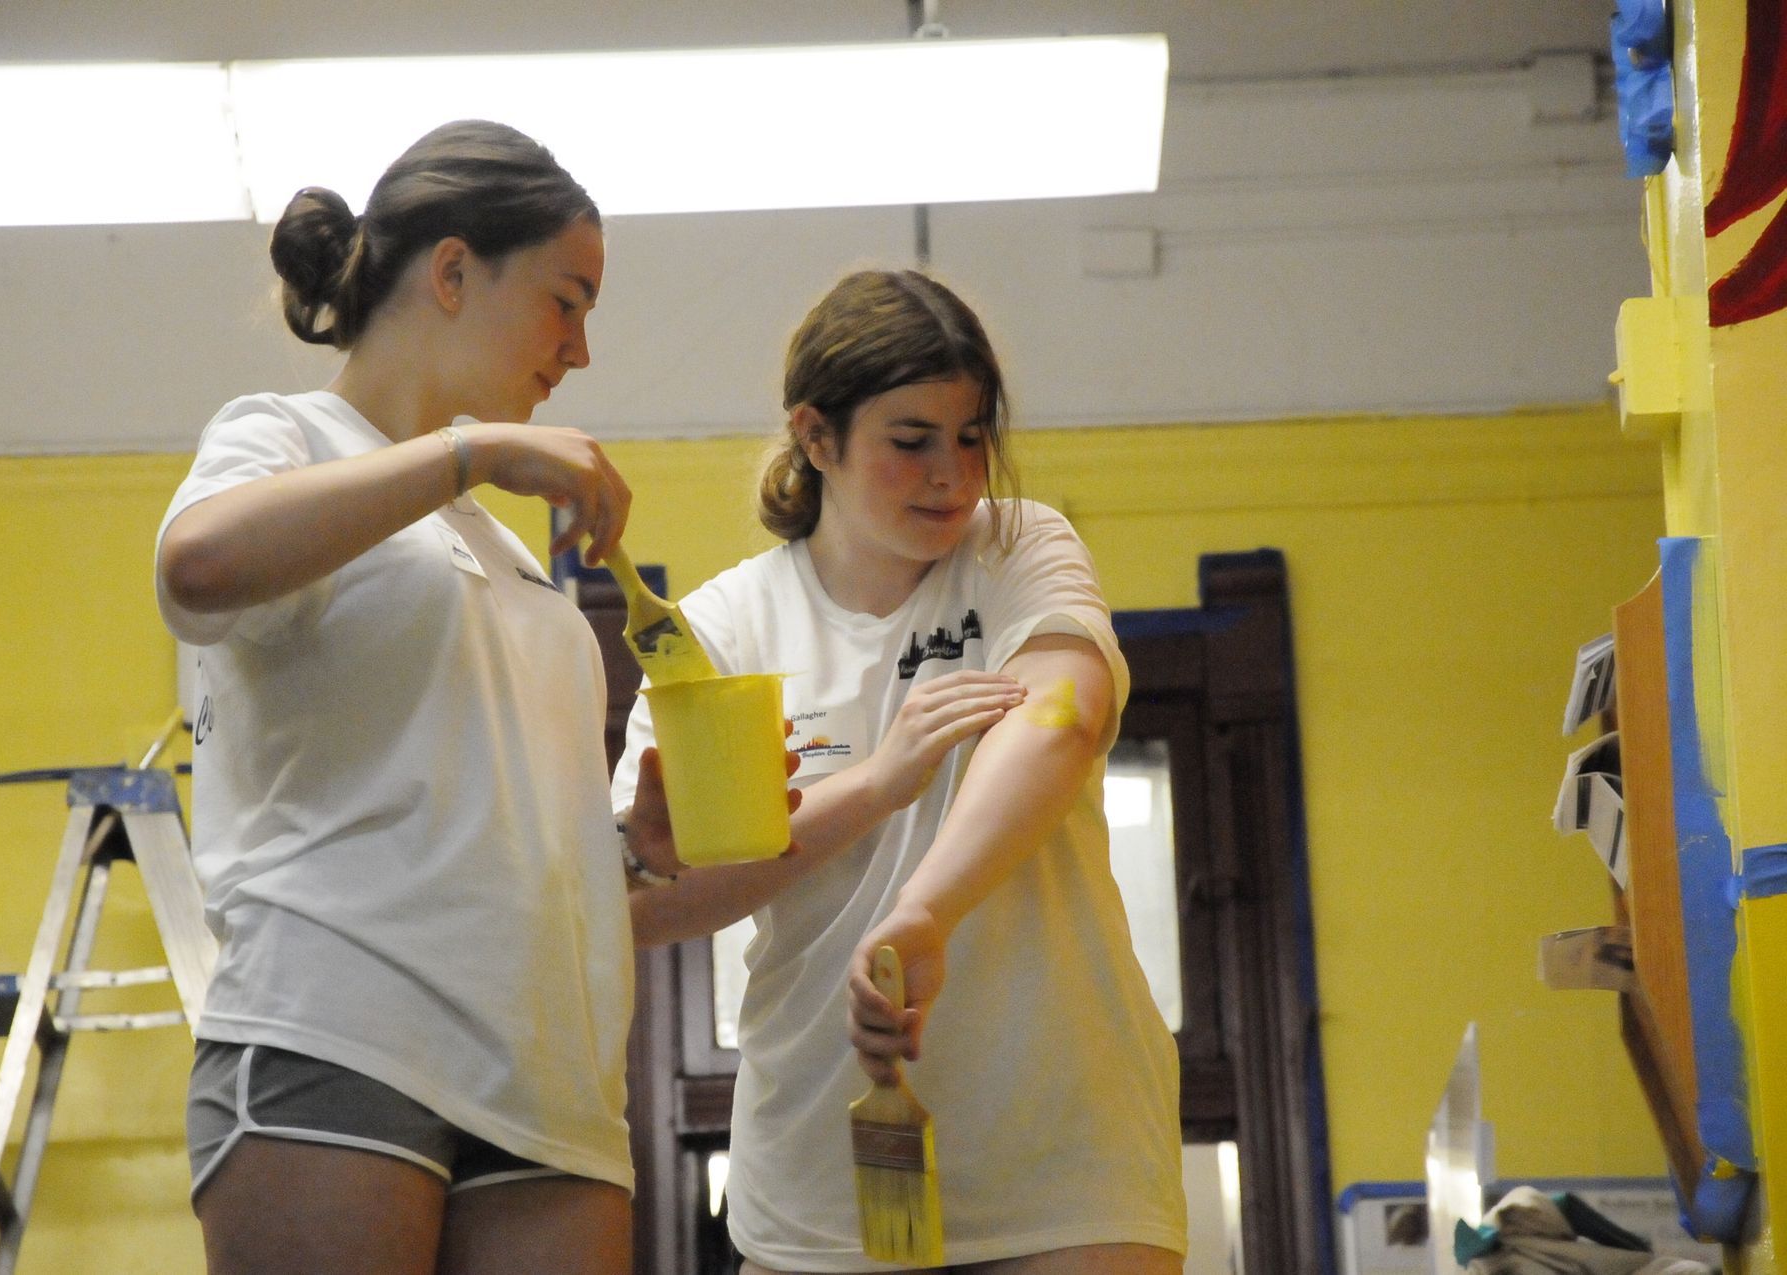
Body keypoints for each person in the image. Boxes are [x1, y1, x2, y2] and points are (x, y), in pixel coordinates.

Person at [155, 119, 654, 1275]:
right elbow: (197, 568)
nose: (578, 351)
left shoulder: (497, 545)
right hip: (343, 1027)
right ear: (450, 271)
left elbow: (485, 821)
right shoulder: (287, 437)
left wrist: (635, 847)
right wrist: (466, 453)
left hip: (547, 1074)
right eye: (566, 301)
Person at [612, 269, 1187, 1273]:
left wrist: (925, 911)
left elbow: (1061, 716)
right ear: (816, 436)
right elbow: (646, 908)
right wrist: (878, 782)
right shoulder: (724, 627)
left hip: (1068, 1164)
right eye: (910, 441)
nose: (952, 477)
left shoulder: (1018, 546)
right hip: (820, 1193)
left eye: (972, 438)